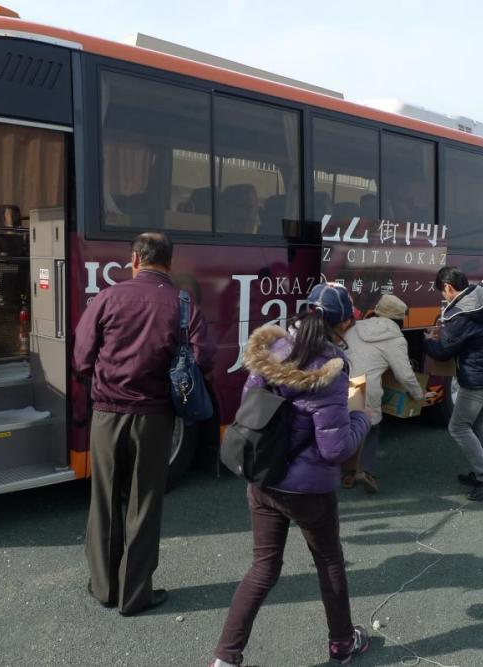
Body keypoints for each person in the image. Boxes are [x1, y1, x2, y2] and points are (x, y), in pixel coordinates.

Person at [210, 283, 372, 667]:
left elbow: (252, 413)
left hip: (263, 477)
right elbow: (334, 448)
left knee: (263, 567)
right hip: (307, 490)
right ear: (342, 323)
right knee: (329, 562)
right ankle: (342, 644)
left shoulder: (271, 352)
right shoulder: (329, 368)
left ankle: (225, 659)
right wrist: (361, 419)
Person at [73, 232, 213, 617]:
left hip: (106, 413)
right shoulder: (183, 305)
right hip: (154, 417)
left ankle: (103, 587)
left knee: (104, 501)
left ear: (135, 259)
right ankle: (134, 596)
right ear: (170, 262)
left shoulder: (108, 297)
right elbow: (204, 358)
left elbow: (82, 356)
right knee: (144, 504)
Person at [424, 266, 483, 501]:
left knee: (458, 427)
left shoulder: (458, 314)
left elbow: (442, 352)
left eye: (443, 293)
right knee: (478, 421)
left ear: (449, 287)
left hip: (477, 379)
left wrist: (428, 340)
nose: (444, 297)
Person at [343, 293, 426, 493]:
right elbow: (404, 375)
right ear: (399, 319)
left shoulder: (357, 326)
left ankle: (346, 474)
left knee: (347, 427)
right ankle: (365, 471)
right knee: (370, 429)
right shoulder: (395, 338)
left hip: (342, 382)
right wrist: (419, 396)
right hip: (367, 386)